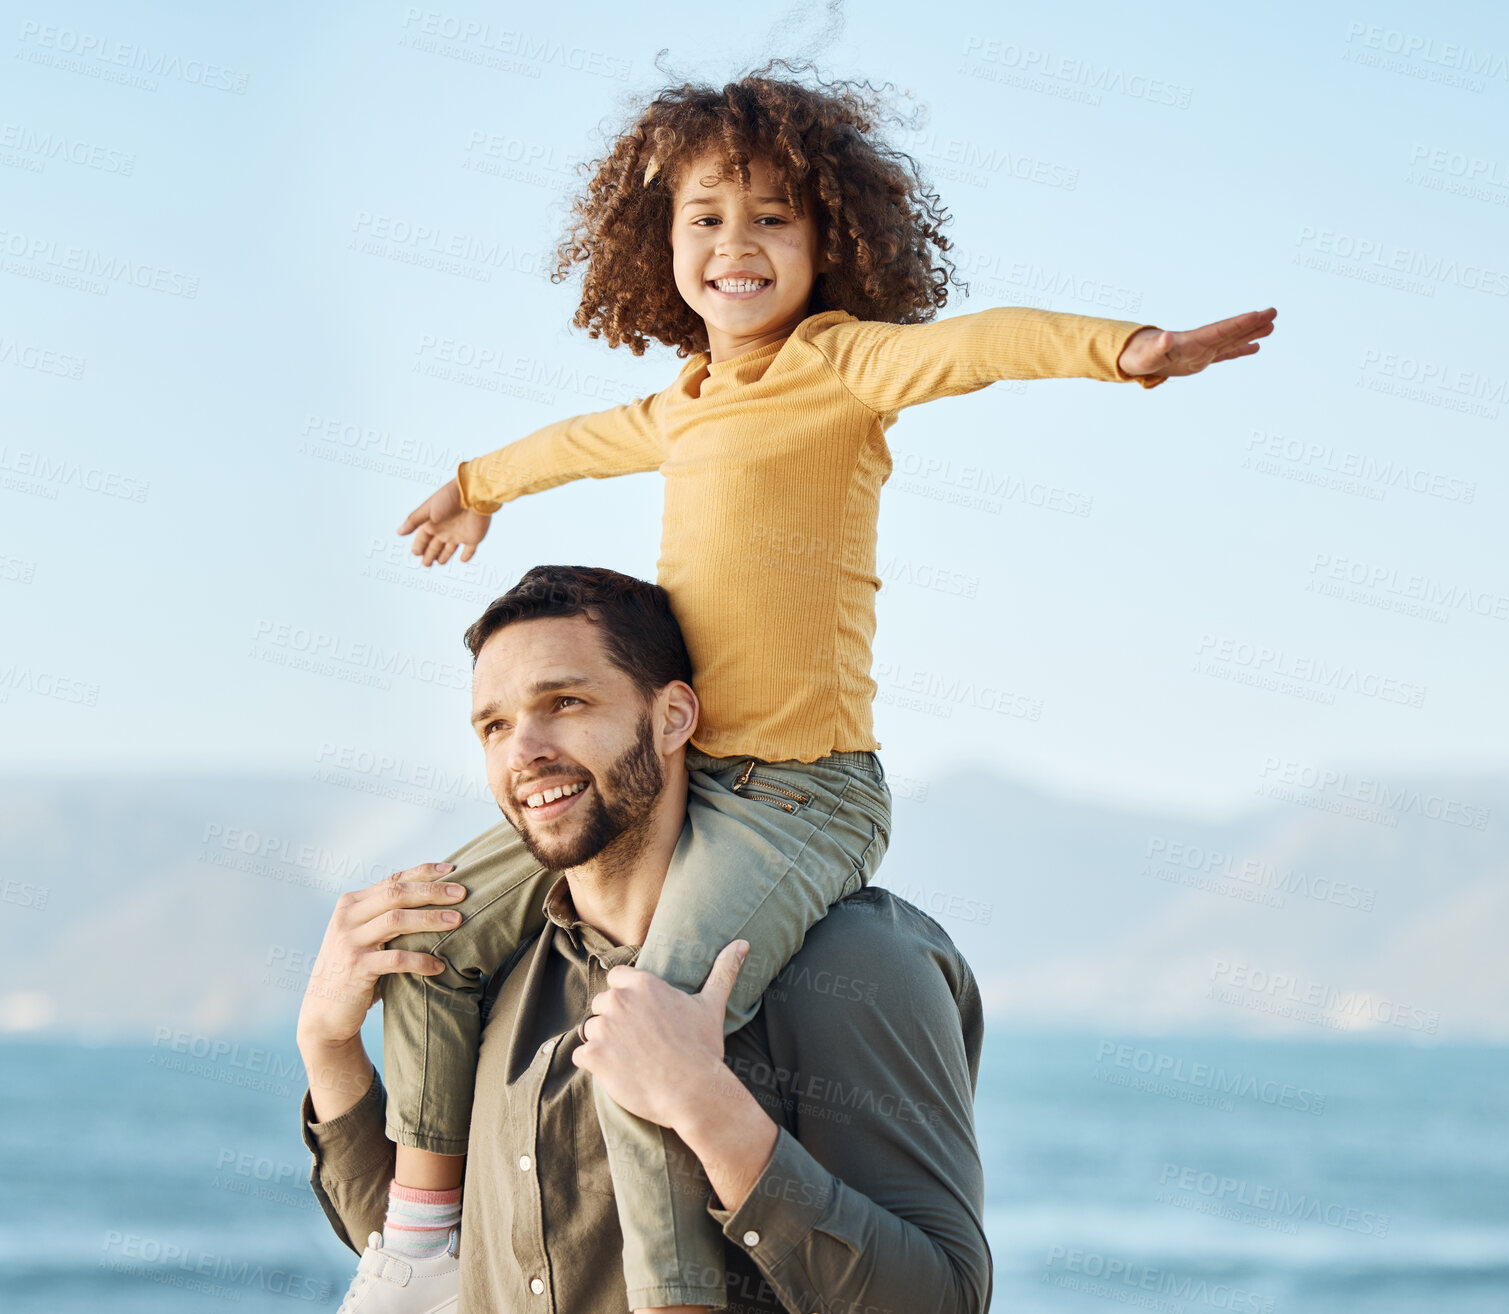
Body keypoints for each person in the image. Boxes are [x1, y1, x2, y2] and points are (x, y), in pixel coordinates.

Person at [376, 63, 1277, 1313]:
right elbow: (571, 444)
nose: (734, 245)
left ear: (829, 242)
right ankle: (416, 1237)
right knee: (417, 930)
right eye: (705, 217)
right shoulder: (682, 402)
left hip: (799, 797)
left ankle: (675, 1297)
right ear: (662, 243)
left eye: (772, 218)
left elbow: (977, 347)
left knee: (648, 1033)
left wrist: (1122, 351)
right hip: (677, 775)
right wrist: (474, 484)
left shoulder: (843, 365)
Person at [298, 566, 991, 1313]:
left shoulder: (855, 963)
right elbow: (430, 1267)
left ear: (672, 718)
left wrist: (708, 1108)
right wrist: (328, 1049)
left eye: (563, 702)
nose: (523, 751)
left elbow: (943, 1299)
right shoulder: (493, 977)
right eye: (494, 726)